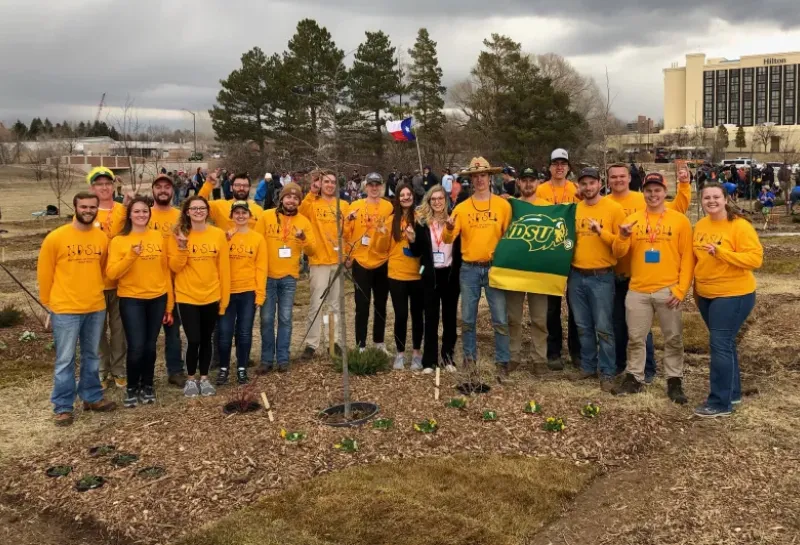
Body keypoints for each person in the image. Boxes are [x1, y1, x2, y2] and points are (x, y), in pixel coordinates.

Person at [612, 173, 694, 404]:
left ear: (664, 192)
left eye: (657, 190)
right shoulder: (634, 220)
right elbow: (619, 254)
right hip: (638, 290)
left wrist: (681, 290)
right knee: (636, 337)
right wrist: (622, 236)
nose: (652, 195)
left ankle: (674, 380)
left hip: (668, 290)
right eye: (648, 190)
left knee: (674, 338)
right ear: (643, 192)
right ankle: (635, 377)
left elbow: (688, 258)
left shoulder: (679, 221)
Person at [37, 192, 117, 426]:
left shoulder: (101, 238)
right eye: (84, 206)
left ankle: (91, 397)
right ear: (75, 207)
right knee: (65, 359)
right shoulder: (56, 238)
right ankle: (63, 406)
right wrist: (47, 304)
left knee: (92, 355)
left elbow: (102, 268)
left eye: (92, 207)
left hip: (94, 305)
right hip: (65, 308)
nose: (88, 210)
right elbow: (45, 273)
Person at [692, 183, 762, 417]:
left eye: (716, 197)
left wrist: (722, 253)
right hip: (706, 295)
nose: (711, 201)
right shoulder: (701, 225)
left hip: (733, 294)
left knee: (719, 344)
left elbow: (755, 259)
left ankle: (719, 403)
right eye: (706, 197)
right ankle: (733, 392)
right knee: (725, 343)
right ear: (701, 201)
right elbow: (697, 261)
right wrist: (695, 291)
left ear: (726, 199)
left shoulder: (739, 226)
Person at [443, 157, 512, 378]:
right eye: (475, 176)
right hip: (469, 269)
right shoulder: (461, 208)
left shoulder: (503, 206)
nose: (480, 180)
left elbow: (509, 237)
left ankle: (502, 361)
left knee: (500, 317)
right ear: (471, 180)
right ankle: (470, 358)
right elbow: (447, 238)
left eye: (483, 175)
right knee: (468, 318)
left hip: (494, 268)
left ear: (490, 177)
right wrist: (448, 228)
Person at [568, 168, 632, 391]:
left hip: (602, 277)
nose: (588, 187)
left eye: (592, 183)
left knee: (604, 326)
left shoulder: (613, 209)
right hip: (576, 276)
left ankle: (607, 371)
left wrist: (601, 232)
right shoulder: (575, 210)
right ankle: (588, 365)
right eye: (583, 183)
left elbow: (621, 247)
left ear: (600, 184)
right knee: (582, 325)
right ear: (579, 186)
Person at [106, 197, 173, 408]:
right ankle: (132, 387)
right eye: (137, 211)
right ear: (130, 215)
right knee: (136, 347)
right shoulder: (119, 240)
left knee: (150, 347)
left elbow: (165, 272)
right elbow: (111, 273)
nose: (141, 215)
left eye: (145, 211)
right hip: (132, 299)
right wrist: (131, 256)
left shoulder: (157, 237)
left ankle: (148, 385)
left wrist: (169, 305)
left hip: (157, 298)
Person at [168, 196, 230, 397]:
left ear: (207, 211)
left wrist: (224, 298)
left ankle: (204, 378)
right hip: (187, 296)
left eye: (202, 208)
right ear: (187, 212)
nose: (198, 211)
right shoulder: (179, 234)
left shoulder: (218, 234)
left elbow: (223, 268)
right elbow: (175, 267)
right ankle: (191, 379)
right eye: (193, 208)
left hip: (211, 294)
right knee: (193, 339)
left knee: (206, 339)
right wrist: (183, 247)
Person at [255, 183, 316, 372]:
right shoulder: (266, 216)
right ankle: (266, 360)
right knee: (266, 319)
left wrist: (303, 238)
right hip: (267, 276)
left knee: (285, 318)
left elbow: (312, 250)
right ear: (281, 199)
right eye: (288, 197)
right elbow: (256, 242)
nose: (291, 200)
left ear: (299, 201)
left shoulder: (304, 221)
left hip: (289, 277)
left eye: (296, 198)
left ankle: (282, 359)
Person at [536, 149, 581, 370]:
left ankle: (577, 351)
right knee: (551, 307)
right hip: (549, 254)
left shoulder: (576, 189)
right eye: (556, 163)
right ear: (550, 167)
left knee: (575, 306)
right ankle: (554, 352)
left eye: (563, 163)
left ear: (569, 167)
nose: (560, 167)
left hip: (573, 252)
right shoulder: (541, 190)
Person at [409, 185, 460, 373]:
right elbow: (416, 253)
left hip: (449, 274)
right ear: (429, 202)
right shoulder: (422, 223)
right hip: (430, 275)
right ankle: (429, 361)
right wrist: (412, 239)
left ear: (445, 200)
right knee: (430, 318)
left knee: (449, 318)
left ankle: (448, 358)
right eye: (433, 199)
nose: (437, 202)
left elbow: (459, 248)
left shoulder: (454, 220)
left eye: (440, 198)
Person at [298, 170, 348, 360]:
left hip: (337, 262)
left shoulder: (343, 205)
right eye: (326, 181)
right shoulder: (312, 203)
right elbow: (300, 214)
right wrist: (311, 191)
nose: (329, 185)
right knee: (316, 304)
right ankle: (312, 344)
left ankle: (333, 342)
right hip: (318, 262)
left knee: (334, 305)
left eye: (332, 182)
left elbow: (347, 232)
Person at [374, 184, 424, 371]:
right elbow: (380, 249)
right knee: (401, 315)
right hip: (396, 274)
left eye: (408, 194)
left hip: (417, 274)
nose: (405, 198)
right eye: (401, 195)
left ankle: (417, 353)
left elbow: (425, 246)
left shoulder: (420, 218)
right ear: (397, 198)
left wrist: (414, 240)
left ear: (413, 197)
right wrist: (379, 234)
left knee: (417, 315)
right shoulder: (390, 221)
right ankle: (400, 353)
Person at [504, 167, 549, 371]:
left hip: (539, 270)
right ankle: (513, 355)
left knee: (539, 318)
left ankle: (539, 358)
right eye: (524, 180)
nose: (528, 184)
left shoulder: (548, 208)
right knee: (513, 317)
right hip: (515, 270)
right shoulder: (509, 206)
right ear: (518, 183)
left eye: (532, 180)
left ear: (538, 183)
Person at [86, 167, 128, 389]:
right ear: (92, 188)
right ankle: (103, 370)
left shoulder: (123, 210)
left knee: (120, 329)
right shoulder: (87, 211)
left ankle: (119, 370)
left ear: (113, 186)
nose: (104, 187)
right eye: (99, 184)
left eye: (107, 183)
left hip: (121, 281)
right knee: (98, 330)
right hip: (95, 282)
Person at [217, 201, 267, 385]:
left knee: (244, 332)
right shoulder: (224, 236)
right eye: (236, 213)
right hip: (227, 292)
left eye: (243, 212)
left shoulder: (257, 239)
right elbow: (216, 262)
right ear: (231, 216)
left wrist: (259, 294)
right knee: (225, 332)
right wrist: (225, 241)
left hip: (248, 292)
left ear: (249, 216)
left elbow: (261, 268)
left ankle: (242, 368)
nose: (240, 216)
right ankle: (223, 368)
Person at [344, 172, 394, 352]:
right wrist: (346, 256)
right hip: (361, 261)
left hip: (381, 260)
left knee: (381, 303)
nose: (374, 188)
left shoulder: (388, 207)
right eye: (371, 185)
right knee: (362, 305)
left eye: (377, 185)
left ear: (381, 187)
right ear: (365, 187)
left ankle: (379, 342)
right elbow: (345, 233)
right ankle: (361, 345)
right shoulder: (355, 206)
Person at [147, 174, 186, 387]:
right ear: (153, 191)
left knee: (173, 330)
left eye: (167, 187)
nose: (163, 190)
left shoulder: (179, 216)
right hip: (149, 280)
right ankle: (146, 373)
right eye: (159, 187)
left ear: (172, 191)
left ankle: (175, 370)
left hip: (174, 280)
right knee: (148, 333)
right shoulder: (144, 214)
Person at [199, 171, 264, 231]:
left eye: (245, 186)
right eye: (237, 185)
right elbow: (198, 204)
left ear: (249, 188)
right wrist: (208, 185)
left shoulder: (258, 210)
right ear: (231, 187)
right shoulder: (220, 206)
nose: (241, 188)